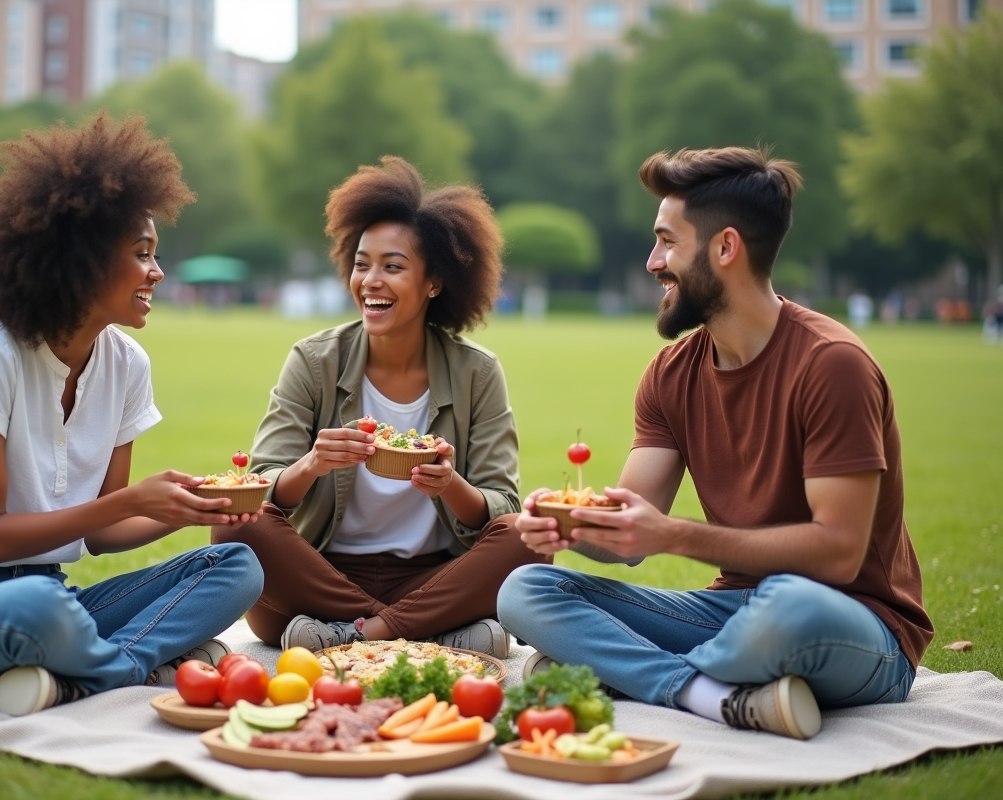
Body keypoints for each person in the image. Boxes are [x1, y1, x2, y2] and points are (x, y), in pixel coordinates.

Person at [499, 147, 932, 740]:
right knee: (526, 590)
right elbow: (629, 534)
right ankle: (700, 691)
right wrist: (572, 525)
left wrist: (674, 535)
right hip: (734, 615)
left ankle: (621, 669)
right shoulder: (671, 373)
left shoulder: (832, 365)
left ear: (726, 248)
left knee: (789, 604)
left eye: (666, 242)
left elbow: (838, 552)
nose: (653, 262)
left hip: (852, 623)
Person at [0, 113, 264, 716]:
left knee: (237, 566)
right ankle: (135, 665)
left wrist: (188, 511)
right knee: (40, 608)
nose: (158, 272)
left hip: (51, 595)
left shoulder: (127, 364)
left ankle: (91, 673)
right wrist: (132, 500)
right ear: (83, 258)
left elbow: (101, 535)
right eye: (142, 254)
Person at [212, 157, 544, 657]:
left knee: (528, 536)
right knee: (238, 522)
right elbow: (262, 486)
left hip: (434, 576)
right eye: (361, 263)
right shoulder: (313, 360)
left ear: (433, 282)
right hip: (321, 573)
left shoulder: (477, 372)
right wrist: (312, 464)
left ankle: (357, 635)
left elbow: (503, 506)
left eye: (392, 266)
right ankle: (426, 633)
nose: (370, 280)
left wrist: (450, 484)